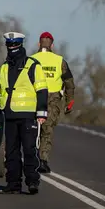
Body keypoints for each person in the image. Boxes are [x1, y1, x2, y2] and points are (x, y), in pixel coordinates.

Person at [0, 32, 48, 195]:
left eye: (14, 45)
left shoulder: (32, 65)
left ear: (20, 46)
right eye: (9, 46)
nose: (12, 48)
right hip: (9, 117)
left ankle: (32, 182)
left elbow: (42, 90)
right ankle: (13, 184)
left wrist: (41, 113)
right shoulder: (4, 67)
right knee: (11, 152)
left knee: (30, 150)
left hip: (28, 115)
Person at [30, 32, 75, 173]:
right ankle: (42, 161)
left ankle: (30, 159)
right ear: (52, 45)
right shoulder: (59, 61)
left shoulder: (30, 60)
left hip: (33, 98)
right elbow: (69, 83)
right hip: (52, 100)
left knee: (30, 129)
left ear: (39, 44)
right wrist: (70, 102)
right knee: (47, 130)